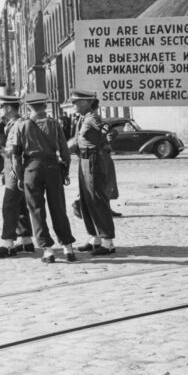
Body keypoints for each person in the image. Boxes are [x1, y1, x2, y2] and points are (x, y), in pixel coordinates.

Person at [12, 92, 76, 264]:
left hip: (31, 169)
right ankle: (68, 247)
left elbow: (16, 155)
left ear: (28, 107)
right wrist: (66, 171)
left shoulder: (21, 126)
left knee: (36, 210)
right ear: (44, 106)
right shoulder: (54, 124)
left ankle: (47, 250)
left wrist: (19, 175)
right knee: (58, 207)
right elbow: (64, 151)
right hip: (52, 167)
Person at [71, 89, 116, 256]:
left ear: (85, 102)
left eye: (76, 102)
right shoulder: (83, 119)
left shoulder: (93, 118)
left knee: (97, 200)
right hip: (83, 161)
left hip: (92, 162)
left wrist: (106, 141)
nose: (74, 105)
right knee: (86, 200)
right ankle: (95, 237)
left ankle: (107, 241)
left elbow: (108, 131)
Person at [0, 95, 34, 258]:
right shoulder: (12, 124)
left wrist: (14, 172)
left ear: (8, 108)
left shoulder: (17, 125)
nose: (0, 109)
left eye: (2, 106)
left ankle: (8, 244)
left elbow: (14, 152)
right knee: (20, 205)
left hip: (15, 169)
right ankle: (26, 241)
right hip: (12, 168)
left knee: (8, 206)